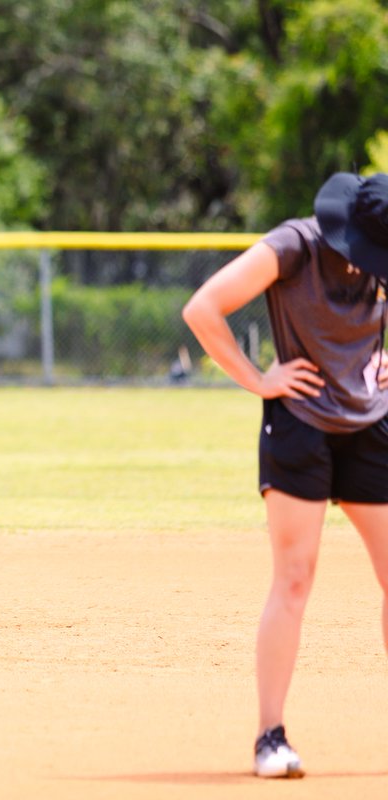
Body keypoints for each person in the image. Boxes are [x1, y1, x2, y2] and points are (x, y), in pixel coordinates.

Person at [182, 172, 388, 779]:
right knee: (295, 578)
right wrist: (259, 380)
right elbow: (203, 309)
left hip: (371, 425)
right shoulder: (293, 246)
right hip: (300, 425)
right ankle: (271, 737)